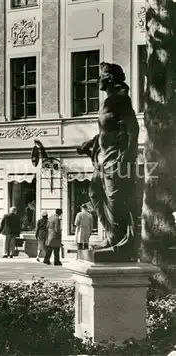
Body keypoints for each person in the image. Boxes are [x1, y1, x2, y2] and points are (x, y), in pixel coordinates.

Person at [77, 62, 139, 258]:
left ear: (110, 78)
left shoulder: (121, 100)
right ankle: (111, 234)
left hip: (115, 157)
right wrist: (90, 143)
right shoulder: (109, 101)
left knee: (115, 198)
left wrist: (128, 155)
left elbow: (133, 128)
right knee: (95, 193)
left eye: (101, 76)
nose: (98, 80)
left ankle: (117, 239)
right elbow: (106, 130)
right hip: (102, 157)